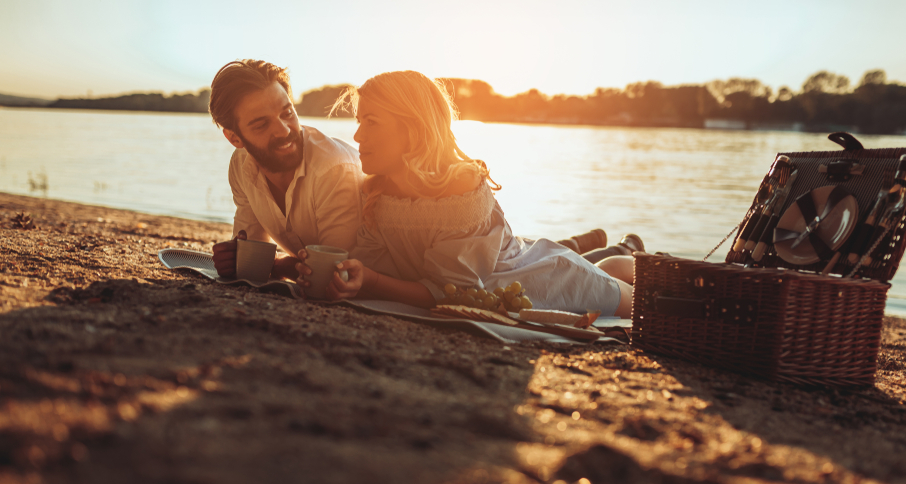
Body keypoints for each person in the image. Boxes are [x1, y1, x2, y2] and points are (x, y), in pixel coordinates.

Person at [295, 70, 636, 317]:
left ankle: (634, 260)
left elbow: (449, 293)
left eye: (370, 122)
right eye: (358, 122)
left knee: (635, 304)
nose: (357, 137)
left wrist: (369, 279)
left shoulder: (460, 191)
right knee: (608, 270)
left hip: (545, 281)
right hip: (507, 271)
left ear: (412, 129)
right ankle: (622, 255)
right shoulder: (378, 191)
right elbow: (373, 266)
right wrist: (344, 275)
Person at [208, 59, 363, 280]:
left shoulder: (333, 169)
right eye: (261, 124)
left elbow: (331, 276)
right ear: (234, 137)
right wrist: (235, 259)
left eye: (287, 113)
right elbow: (252, 256)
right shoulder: (241, 166)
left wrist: (277, 266)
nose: (283, 130)